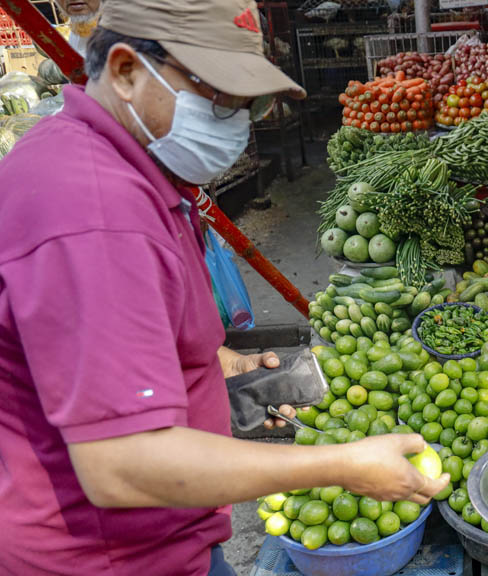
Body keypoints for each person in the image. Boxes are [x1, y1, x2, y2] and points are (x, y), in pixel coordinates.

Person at [0, 1, 449, 575]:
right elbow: (123, 464)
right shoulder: (94, 213)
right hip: (110, 559)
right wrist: (342, 464)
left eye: (249, 105)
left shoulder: (113, 165)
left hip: (163, 538)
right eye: (219, 98)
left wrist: (215, 370)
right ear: (126, 70)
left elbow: (104, 337)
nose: (237, 122)